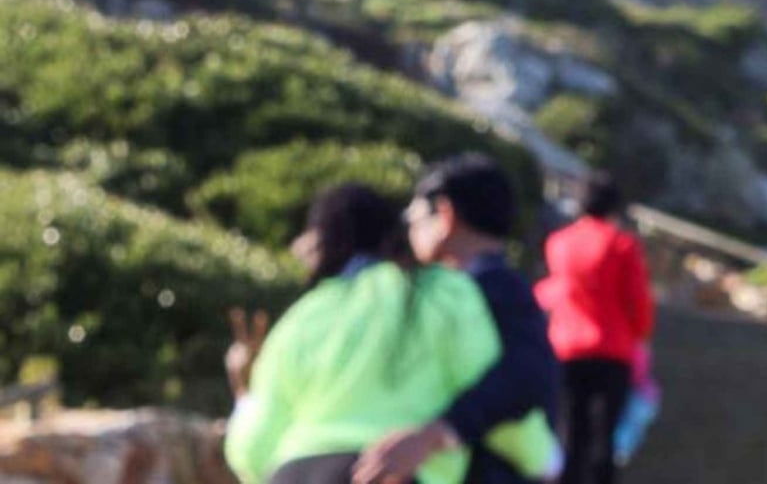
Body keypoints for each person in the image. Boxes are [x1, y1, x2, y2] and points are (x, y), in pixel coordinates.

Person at [222, 183, 543, 484]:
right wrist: (542, 457)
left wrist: (243, 397)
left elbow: (251, 451)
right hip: (391, 472)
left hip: (294, 473)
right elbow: (496, 391)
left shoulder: (305, 313)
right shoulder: (443, 291)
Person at [352, 154, 563, 484]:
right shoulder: (499, 285)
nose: (410, 228)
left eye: (416, 216)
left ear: (446, 215)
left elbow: (529, 373)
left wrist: (436, 432)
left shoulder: (489, 285)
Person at [536, 174, 654, 484]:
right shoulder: (623, 245)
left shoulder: (559, 242)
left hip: (565, 348)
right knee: (604, 439)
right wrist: (639, 336)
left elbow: (557, 291)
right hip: (613, 351)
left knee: (570, 435)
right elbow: (638, 303)